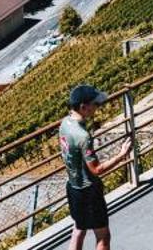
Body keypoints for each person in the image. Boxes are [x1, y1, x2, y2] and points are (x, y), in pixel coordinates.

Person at [60, 86, 112, 249]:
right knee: (103, 236)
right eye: (95, 104)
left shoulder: (65, 124)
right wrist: (122, 155)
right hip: (89, 190)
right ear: (83, 107)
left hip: (73, 187)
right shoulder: (83, 136)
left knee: (78, 229)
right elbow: (96, 169)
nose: (97, 107)